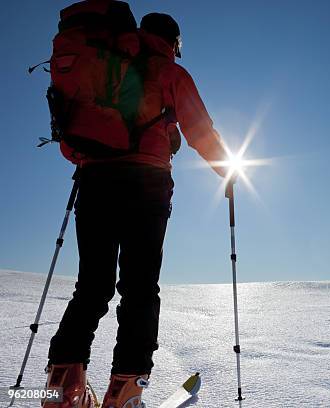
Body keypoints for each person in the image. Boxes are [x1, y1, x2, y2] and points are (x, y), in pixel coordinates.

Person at [43, 12, 228, 408]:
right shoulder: (168, 71)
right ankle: (124, 393)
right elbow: (199, 130)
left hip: (95, 182)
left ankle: (61, 389)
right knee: (140, 288)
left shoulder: (104, 62)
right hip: (146, 185)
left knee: (91, 286)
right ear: (172, 41)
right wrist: (227, 169)